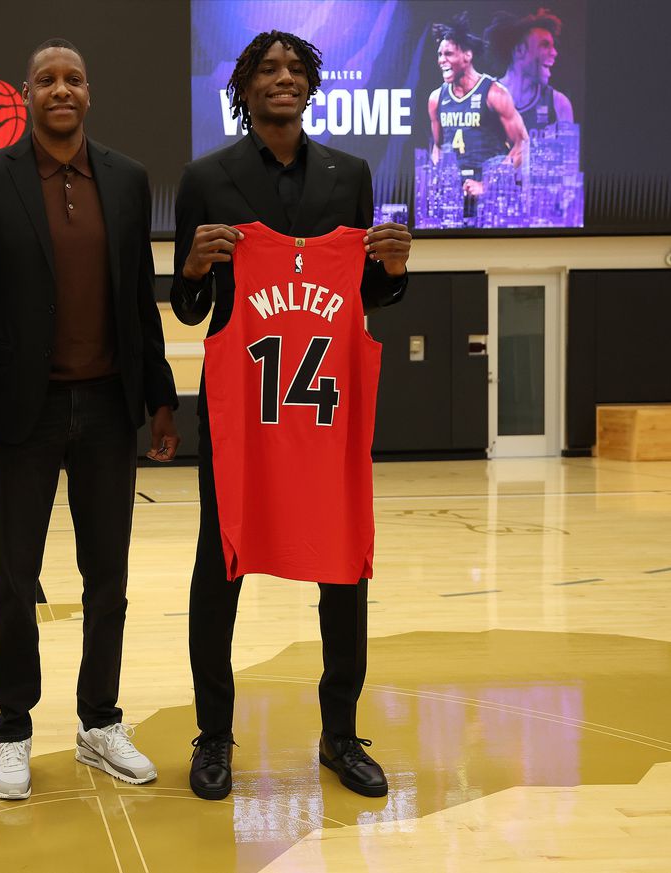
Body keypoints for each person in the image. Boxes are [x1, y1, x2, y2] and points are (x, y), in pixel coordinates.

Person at [172, 30, 411, 801]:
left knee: (344, 566)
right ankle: (214, 735)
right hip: (243, 409)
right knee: (221, 565)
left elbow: (362, 297)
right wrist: (194, 268)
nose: (283, 79)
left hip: (326, 409)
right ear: (242, 88)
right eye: (267, 70)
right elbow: (190, 306)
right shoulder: (207, 178)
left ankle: (340, 734)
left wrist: (393, 271)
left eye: (295, 70)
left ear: (313, 86)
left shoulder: (350, 176)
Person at [0, 38, 180, 802]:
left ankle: (99, 721)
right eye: (46, 80)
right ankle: (13, 728)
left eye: (73, 78)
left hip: (110, 406)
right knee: (14, 578)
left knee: (106, 577)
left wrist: (161, 395)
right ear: (26, 94)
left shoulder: (127, 178)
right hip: (24, 410)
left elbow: (140, 295)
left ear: (89, 91)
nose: (60, 90)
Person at [427, 12, 528, 198]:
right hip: (454, 198)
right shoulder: (436, 98)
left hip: (491, 196)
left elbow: (522, 144)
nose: (442, 60)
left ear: (467, 55)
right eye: (439, 54)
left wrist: (487, 185)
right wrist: (439, 178)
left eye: (448, 54)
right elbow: (438, 147)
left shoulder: (494, 93)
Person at [486, 7, 574, 133]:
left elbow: (569, 151)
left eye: (553, 46)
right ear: (520, 50)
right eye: (545, 45)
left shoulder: (559, 104)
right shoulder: (484, 97)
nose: (554, 53)